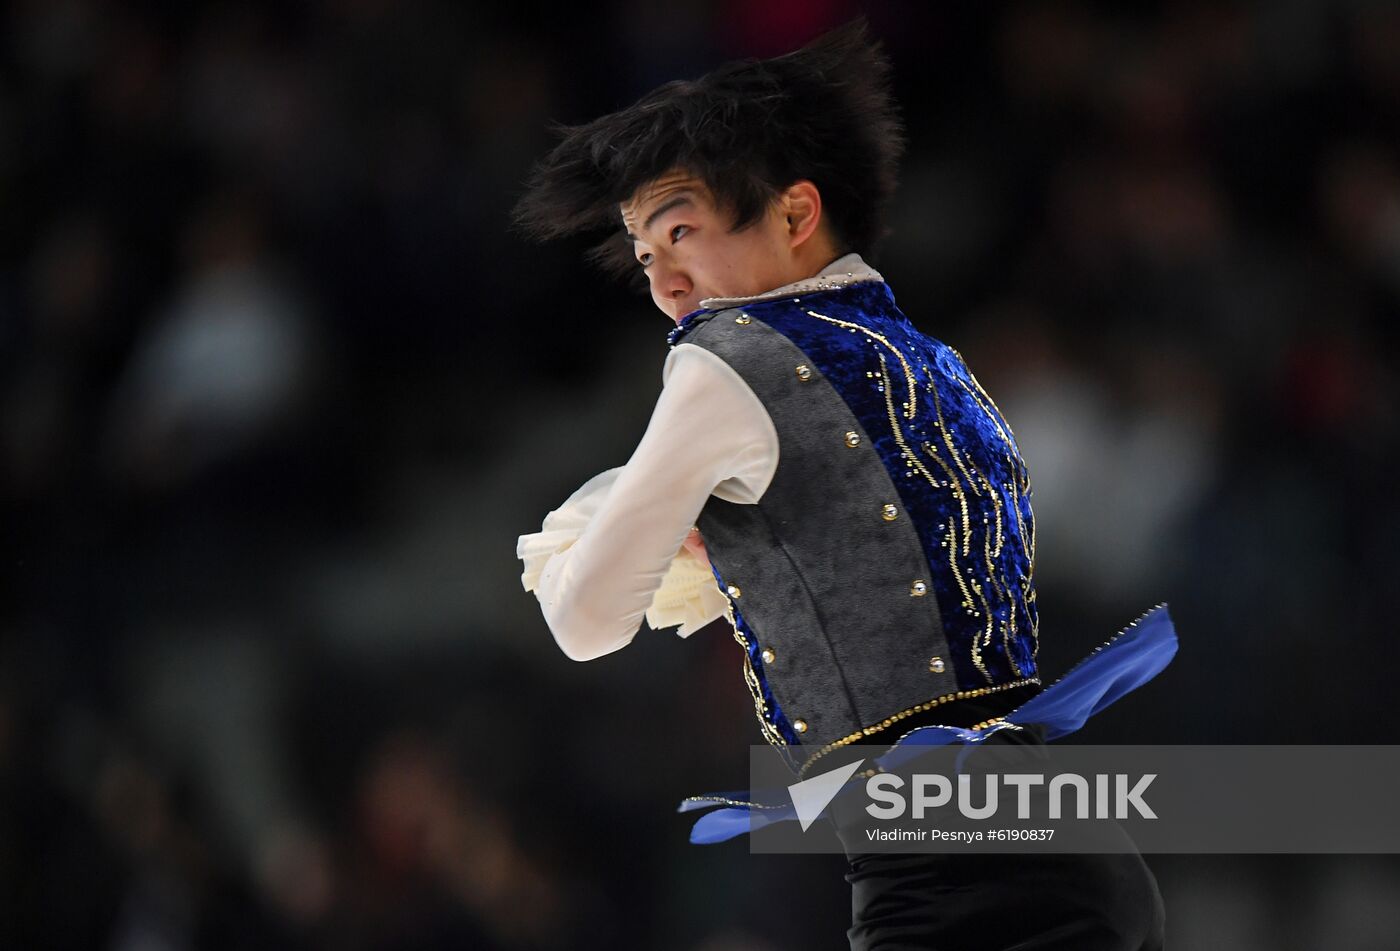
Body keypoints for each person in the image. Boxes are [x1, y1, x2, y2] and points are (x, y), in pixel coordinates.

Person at [512, 19, 1175, 949]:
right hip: (1070, 846)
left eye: (681, 232)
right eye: (643, 253)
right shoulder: (931, 359)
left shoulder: (726, 360)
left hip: (947, 877)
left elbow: (584, 623)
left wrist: (628, 524)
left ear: (793, 214)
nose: (664, 283)